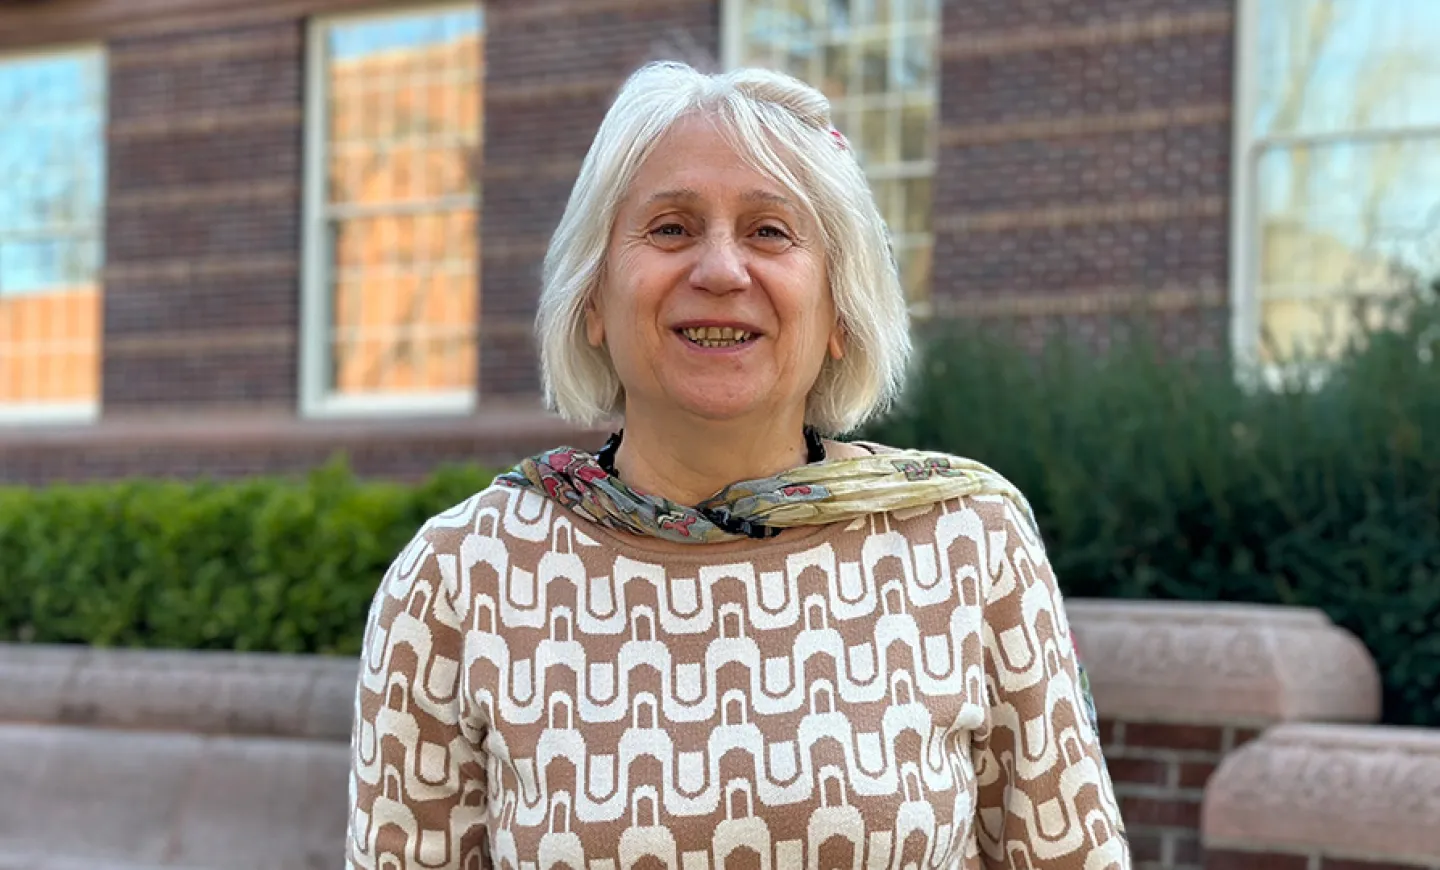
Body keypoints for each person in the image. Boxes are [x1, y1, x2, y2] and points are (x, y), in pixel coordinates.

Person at [346, 61, 1129, 870]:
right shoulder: (459, 579)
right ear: (592, 298)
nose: (721, 271)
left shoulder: (969, 546)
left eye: (769, 232)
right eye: (671, 229)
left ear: (840, 309)